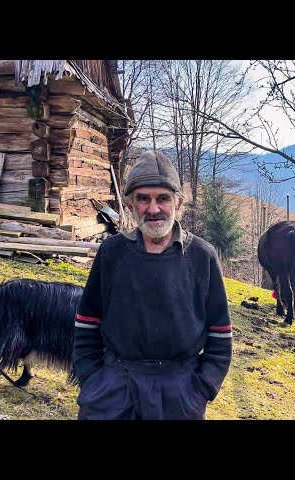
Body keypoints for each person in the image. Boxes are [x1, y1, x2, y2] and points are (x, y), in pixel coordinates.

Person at [73, 150, 232, 420]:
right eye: (143, 199)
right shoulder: (111, 253)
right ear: (131, 204)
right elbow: (87, 322)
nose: (154, 208)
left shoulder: (202, 256)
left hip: (180, 391)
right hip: (114, 386)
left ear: (178, 202)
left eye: (163, 199)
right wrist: (92, 379)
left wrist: (202, 387)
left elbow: (220, 333)